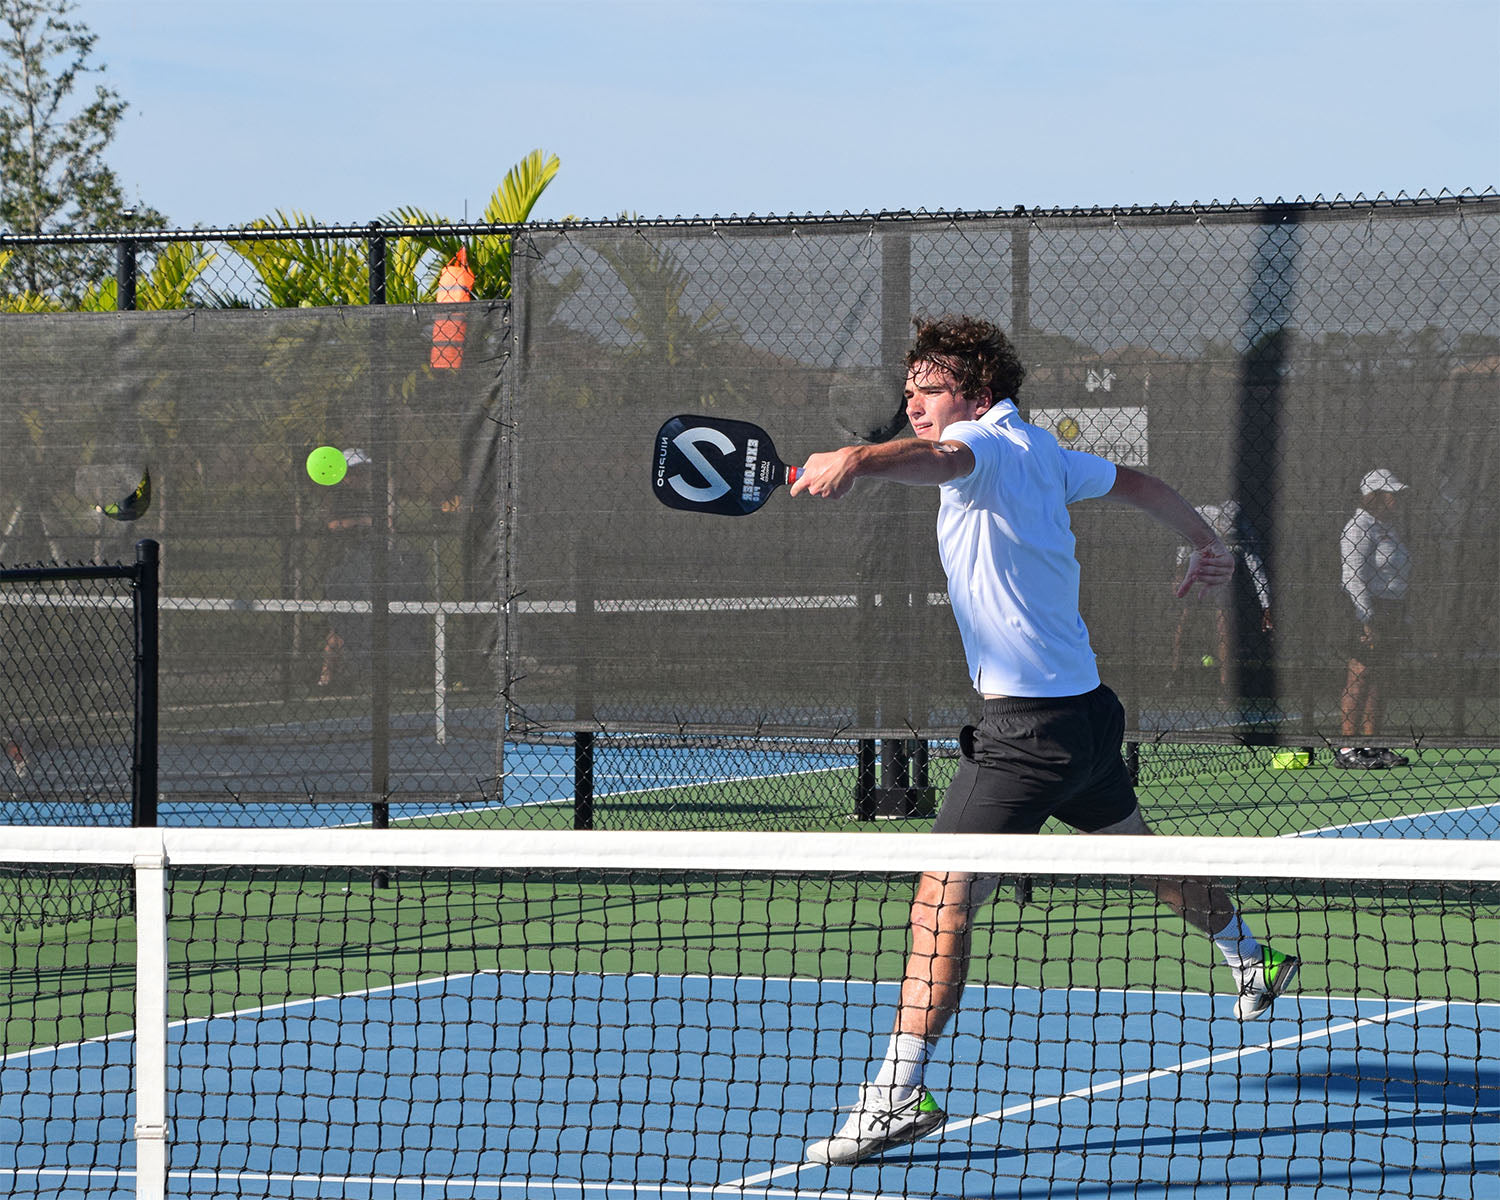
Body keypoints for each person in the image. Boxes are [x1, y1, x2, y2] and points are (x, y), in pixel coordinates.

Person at [788, 316, 1300, 1166]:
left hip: (1026, 733)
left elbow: (943, 461)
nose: (913, 400)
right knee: (1140, 856)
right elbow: (1138, 483)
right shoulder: (1047, 452)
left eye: (931, 386)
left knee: (939, 903)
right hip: (1089, 716)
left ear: (979, 395)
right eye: (909, 387)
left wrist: (859, 458)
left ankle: (897, 1094)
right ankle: (1251, 955)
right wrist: (1205, 540)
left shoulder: (984, 449)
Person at [1335, 469, 1413, 769]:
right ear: (1375, 496)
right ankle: (1347, 749)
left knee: (1380, 676)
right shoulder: (1358, 527)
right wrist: (1365, 618)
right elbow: (1352, 576)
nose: (1397, 498)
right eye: (1392, 493)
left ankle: (1372, 745)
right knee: (1359, 675)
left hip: (1392, 608)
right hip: (1367, 608)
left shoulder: (1387, 527)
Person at [1170, 500, 1273, 696]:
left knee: (1223, 623)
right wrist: (1178, 572)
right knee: (1185, 620)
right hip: (1196, 567)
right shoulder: (1200, 515)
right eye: (1224, 530)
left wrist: (1266, 605)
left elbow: (1256, 569)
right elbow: (1183, 542)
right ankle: (1175, 675)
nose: (1227, 535)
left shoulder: (1245, 534)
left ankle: (1225, 684)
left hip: (1221, 576)